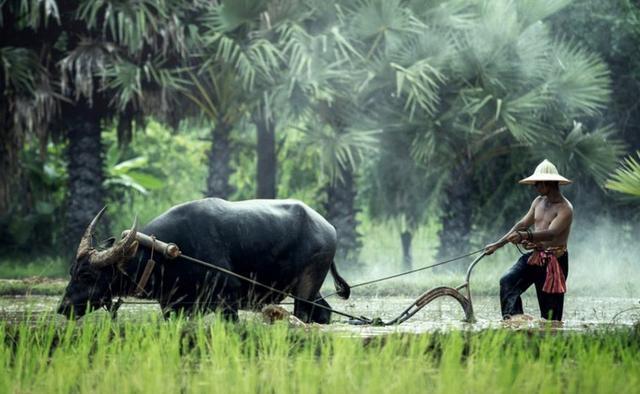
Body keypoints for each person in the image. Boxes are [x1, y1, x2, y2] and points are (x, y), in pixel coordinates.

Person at [484, 159, 573, 321]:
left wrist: (526, 236)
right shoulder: (538, 202)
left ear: (549, 183)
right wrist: (497, 245)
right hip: (536, 256)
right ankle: (515, 320)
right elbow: (522, 224)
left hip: (554, 262)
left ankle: (550, 337)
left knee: (550, 316)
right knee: (508, 281)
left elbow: (552, 233)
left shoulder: (565, 208)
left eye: (538, 183)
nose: (535, 187)